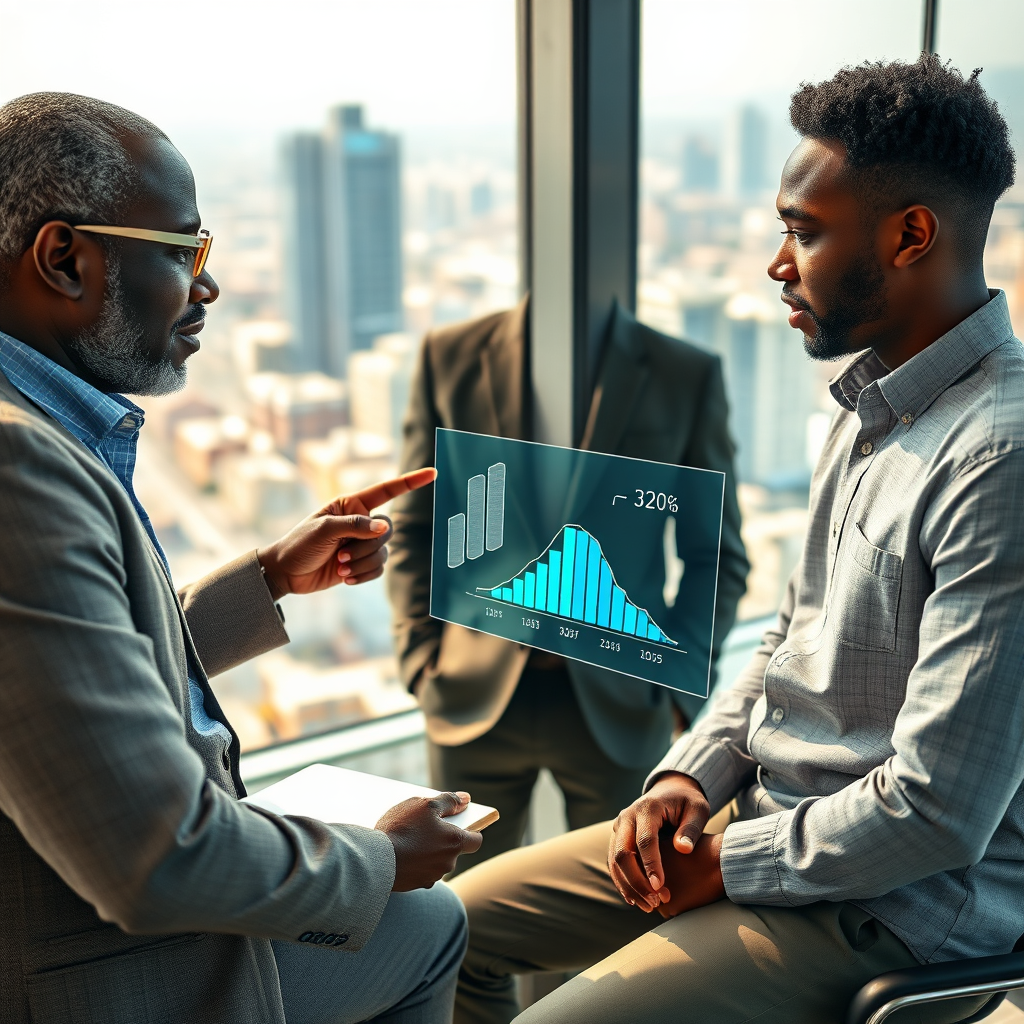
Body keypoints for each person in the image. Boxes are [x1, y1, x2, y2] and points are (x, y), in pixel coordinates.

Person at [449, 54, 1024, 1024]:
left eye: (803, 231)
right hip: (760, 821)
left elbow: (935, 813)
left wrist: (721, 861)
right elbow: (786, 635)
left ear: (910, 234)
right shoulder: (869, 406)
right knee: (437, 928)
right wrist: (688, 776)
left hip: (890, 907)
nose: (775, 262)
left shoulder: (1000, 458)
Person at [0, 92, 482, 1024]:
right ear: (65, 258)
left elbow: (62, 676)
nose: (207, 287)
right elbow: (156, 857)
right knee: (429, 922)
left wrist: (265, 580)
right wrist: (381, 862)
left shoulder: (38, 425)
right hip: (115, 979)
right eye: (185, 253)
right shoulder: (20, 465)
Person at [387, 296, 748, 873]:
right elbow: (416, 527)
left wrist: (676, 690)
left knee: (616, 916)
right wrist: (420, 661)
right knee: (458, 917)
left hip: (620, 705)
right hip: (470, 697)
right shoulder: (449, 354)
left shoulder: (683, 372)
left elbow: (716, 555)